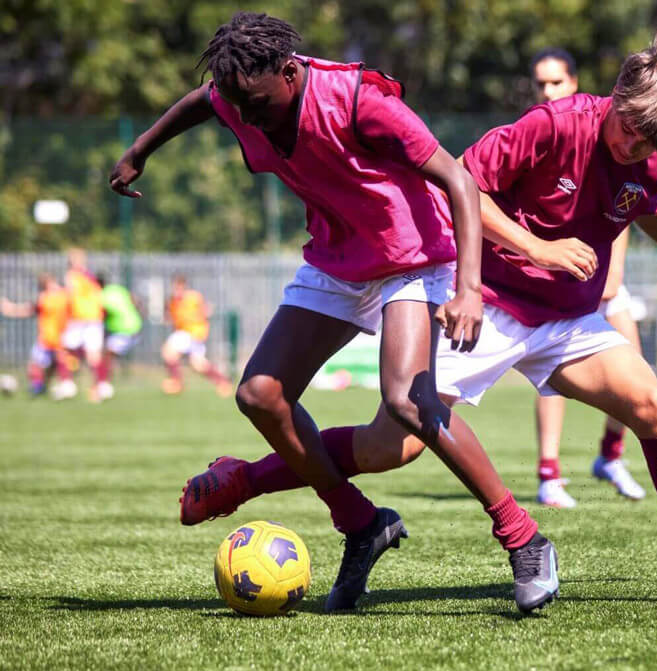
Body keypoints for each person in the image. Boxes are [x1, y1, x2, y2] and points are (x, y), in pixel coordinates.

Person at [187, 32, 657, 609]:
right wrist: (536, 249)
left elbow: (650, 206)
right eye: (630, 130)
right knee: (391, 446)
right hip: (487, 304)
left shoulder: (653, 158)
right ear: (617, 93)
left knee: (655, 406)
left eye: (651, 144)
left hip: (566, 320)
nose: (635, 148)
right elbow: (460, 183)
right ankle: (248, 478)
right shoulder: (554, 124)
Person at [109, 12, 557, 614]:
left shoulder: (356, 101)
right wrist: (140, 150)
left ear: (291, 73)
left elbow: (457, 179)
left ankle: (525, 539)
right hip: (337, 257)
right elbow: (203, 101)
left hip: (413, 254)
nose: (247, 118)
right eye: (238, 106)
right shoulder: (240, 92)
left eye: (257, 104)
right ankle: (360, 522)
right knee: (259, 395)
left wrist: (470, 287)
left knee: (407, 402)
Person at [530, 47, 646, 508]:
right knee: (551, 375)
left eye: (556, 83)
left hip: (601, 276)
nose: (547, 91)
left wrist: (614, 271)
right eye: (540, 84)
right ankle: (549, 473)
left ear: (574, 83)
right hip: (555, 277)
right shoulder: (540, 129)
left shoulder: (604, 129)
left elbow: (626, 206)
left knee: (637, 369)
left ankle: (610, 456)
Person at [0, 274, 73, 398]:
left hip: (52, 338)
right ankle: (43, 387)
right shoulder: (61, 296)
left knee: (38, 364)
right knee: (46, 365)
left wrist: (9, 308)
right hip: (55, 337)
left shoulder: (47, 298)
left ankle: (42, 387)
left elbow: (29, 310)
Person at [161, 275, 230, 397]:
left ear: (184, 286)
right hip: (187, 333)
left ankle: (176, 382)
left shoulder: (193, 297)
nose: (176, 290)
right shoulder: (173, 301)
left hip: (194, 332)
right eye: (175, 287)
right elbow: (173, 317)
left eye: (179, 287)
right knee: (198, 364)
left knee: (168, 351)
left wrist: (204, 312)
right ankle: (223, 382)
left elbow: (204, 310)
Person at [62, 248, 110, 402]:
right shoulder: (90, 277)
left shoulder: (72, 276)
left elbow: (69, 295)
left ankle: (68, 384)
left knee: (66, 350)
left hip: (80, 318)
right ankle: (100, 387)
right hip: (94, 318)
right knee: (92, 354)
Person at [97, 273, 144, 400]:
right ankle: (103, 384)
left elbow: (102, 313)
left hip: (124, 330)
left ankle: (103, 385)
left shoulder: (101, 296)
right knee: (108, 355)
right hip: (135, 326)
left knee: (107, 356)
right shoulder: (118, 289)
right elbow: (135, 300)